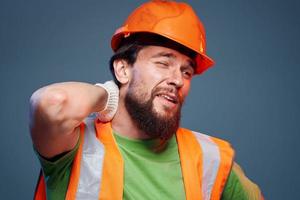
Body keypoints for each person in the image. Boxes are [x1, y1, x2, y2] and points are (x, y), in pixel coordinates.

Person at [29, 1, 263, 199]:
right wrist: (109, 97)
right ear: (123, 70)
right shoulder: (75, 146)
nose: (178, 80)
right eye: (163, 63)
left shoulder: (212, 158)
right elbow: (53, 103)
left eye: (186, 71)